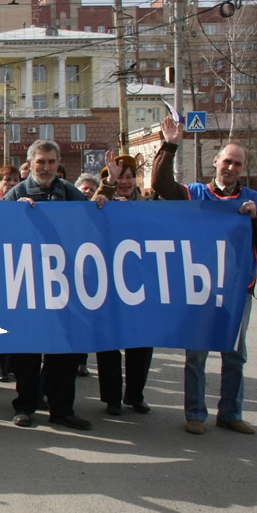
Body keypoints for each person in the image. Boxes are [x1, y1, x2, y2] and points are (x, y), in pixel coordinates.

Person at [153, 116, 257, 435]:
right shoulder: (196, 194)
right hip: (202, 289)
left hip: (238, 292)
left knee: (235, 355)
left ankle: (230, 413)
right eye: (227, 161)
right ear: (215, 162)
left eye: (237, 163)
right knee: (197, 354)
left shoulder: (255, 202)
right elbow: (160, 186)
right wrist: (170, 145)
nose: (231, 168)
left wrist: (255, 220)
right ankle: (195, 413)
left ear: (243, 168)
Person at [4, 139, 103, 431]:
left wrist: (101, 205)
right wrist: (14, 215)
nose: (46, 168)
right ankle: (25, 407)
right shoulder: (16, 194)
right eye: (40, 162)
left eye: (50, 162)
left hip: (64, 287)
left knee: (65, 353)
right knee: (27, 353)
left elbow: (90, 228)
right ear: (30, 164)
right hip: (28, 285)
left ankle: (62, 409)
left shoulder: (70, 193)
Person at [93, 152, 154, 416]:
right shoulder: (101, 204)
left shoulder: (148, 206)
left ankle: (135, 395)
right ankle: (112, 398)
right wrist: (107, 185)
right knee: (109, 344)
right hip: (107, 284)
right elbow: (92, 208)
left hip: (139, 285)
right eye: (119, 177)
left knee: (140, 342)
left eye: (129, 176)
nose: (124, 182)